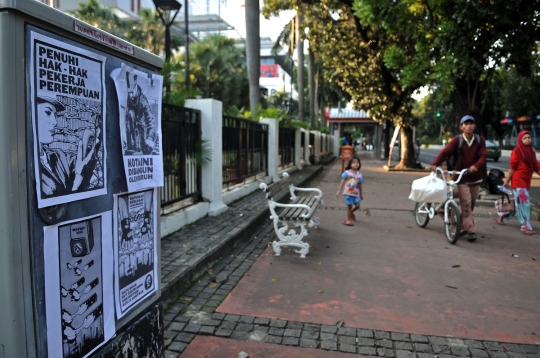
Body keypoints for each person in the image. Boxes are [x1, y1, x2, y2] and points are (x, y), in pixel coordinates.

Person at [430, 115, 487, 241]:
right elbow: (445, 152)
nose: (469, 126)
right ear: (461, 127)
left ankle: (461, 225)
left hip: (475, 177)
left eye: (471, 123)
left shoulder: (480, 140)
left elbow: (483, 156)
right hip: (461, 177)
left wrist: (476, 166)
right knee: (465, 203)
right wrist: (435, 163)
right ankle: (470, 230)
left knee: (470, 204)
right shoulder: (457, 140)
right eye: (466, 124)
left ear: (475, 126)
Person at [37, 96, 98, 197]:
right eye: (48, 112)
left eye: (55, 115)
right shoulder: (29, 168)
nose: (55, 122)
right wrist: (78, 177)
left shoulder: (59, 156)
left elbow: (81, 164)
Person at [494, 131, 540, 235]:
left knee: (518, 203)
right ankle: (525, 226)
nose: (527, 139)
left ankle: (502, 216)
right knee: (525, 203)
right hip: (518, 180)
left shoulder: (531, 152)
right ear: (520, 140)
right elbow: (512, 168)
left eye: (529, 137)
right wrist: (507, 181)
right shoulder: (516, 152)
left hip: (526, 180)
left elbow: (537, 166)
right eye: (525, 138)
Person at [125, 73, 156, 155]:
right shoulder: (125, 98)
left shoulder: (143, 101)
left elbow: (151, 121)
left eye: (131, 91)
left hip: (142, 146)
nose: (130, 94)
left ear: (135, 80)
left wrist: (150, 138)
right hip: (130, 147)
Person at [336, 156, 364, 226]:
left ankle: (351, 212)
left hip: (356, 193)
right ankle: (349, 220)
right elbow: (342, 181)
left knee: (357, 206)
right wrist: (339, 190)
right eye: (353, 162)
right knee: (349, 206)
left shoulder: (359, 175)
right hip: (348, 193)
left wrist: (361, 194)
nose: (356, 164)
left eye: (357, 162)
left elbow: (360, 185)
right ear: (350, 164)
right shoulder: (347, 173)